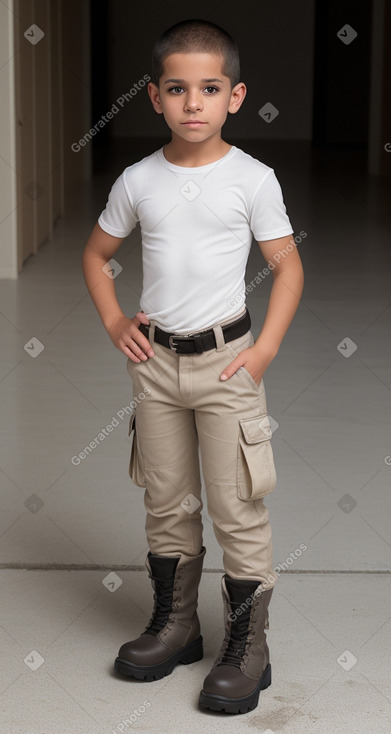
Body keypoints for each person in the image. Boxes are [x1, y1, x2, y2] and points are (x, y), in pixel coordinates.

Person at [82, 18, 304, 715]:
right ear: (154, 97)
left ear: (234, 96)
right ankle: (176, 628)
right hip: (156, 371)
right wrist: (117, 318)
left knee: (237, 507)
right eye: (177, 89)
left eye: (208, 89)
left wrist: (262, 349)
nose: (193, 104)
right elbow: (95, 254)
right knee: (166, 501)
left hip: (228, 364)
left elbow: (286, 265)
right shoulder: (139, 179)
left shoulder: (251, 179)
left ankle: (246, 647)